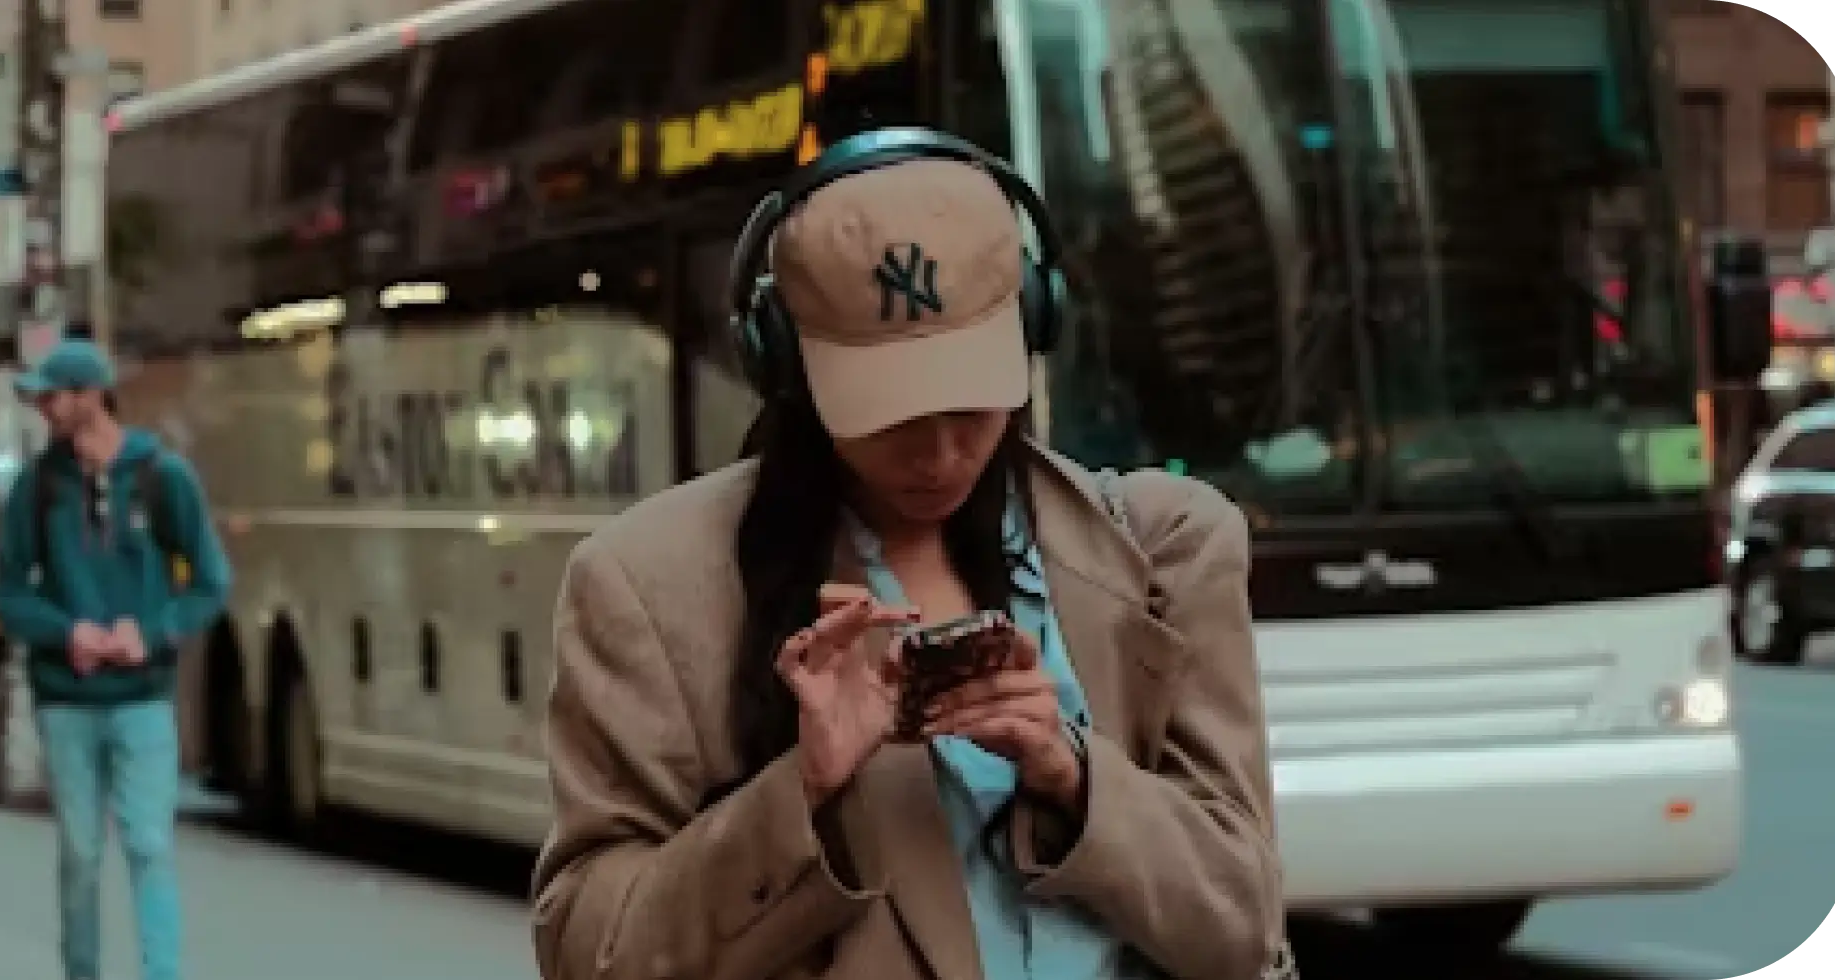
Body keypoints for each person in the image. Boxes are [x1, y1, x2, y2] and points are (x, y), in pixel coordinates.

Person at [532, 130, 1287, 980]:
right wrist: (800, 792)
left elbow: (1242, 930)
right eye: (887, 414)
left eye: (970, 403)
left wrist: (1072, 772)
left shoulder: (1167, 554)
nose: (936, 454)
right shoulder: (646, 587)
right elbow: (588, 956)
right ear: (787, 365)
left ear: (1033, 323)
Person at [0, 339, 231, 980]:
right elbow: (8, 591)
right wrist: (66, 632)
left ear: (93, 396)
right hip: (66, 697)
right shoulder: (39, 486)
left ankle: (162, 973)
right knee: (80, 852)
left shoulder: (162, 477)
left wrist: (150, 632)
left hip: (143, 693)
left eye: (55, 395)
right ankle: (83, 971)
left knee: (150, 845)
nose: (44, 407)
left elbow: (210, 581)